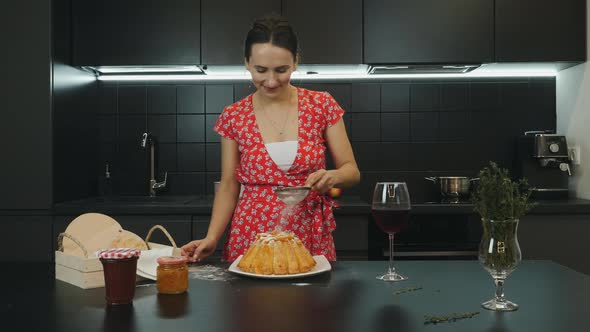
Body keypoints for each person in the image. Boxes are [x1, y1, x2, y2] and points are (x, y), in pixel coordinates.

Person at [181, 15, 360, 263]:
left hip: (307, 233)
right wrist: (212, 237)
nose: (271, 81)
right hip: (251, 235)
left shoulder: (322, 105)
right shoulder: (234, 116)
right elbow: (229, 185)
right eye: (261, 70)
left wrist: (334, 176)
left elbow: (352, 171)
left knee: (312, 301)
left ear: (296, 62)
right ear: (246, 63)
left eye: (281, 70)